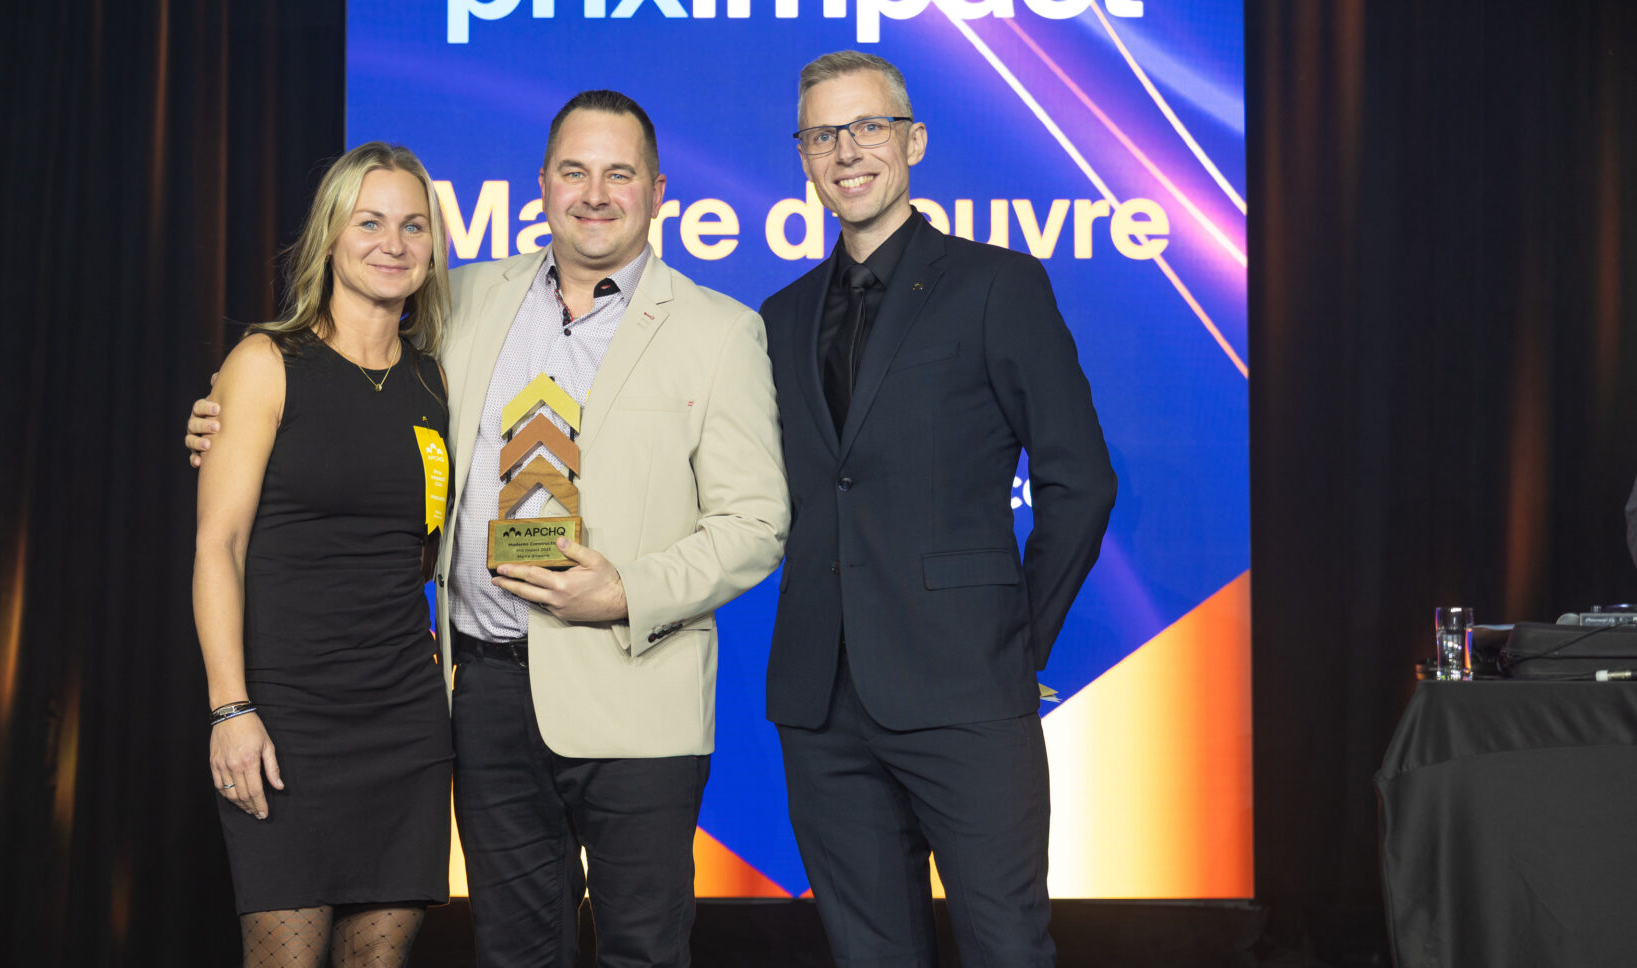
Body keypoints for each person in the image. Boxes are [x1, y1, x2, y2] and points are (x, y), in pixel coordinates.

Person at [189, 91, 789, 968]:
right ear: (540, 184)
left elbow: (757, 523)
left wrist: (625, 590)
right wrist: (223, 414)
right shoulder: (463, 300)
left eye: (619, 173)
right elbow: (340, 385)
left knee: (644, 951)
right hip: (483, 700)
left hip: (636, 699)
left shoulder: (720, 331)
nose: (594, 193)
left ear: (658, 190)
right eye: (574, 171)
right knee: (512, 952)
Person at [759, 50, 1117, 967]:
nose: (847, 151)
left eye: (868, 127)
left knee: (1005, 948)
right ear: (803, 156)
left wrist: (1015, 642)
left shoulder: (998, 284)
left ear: (912, 140)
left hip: (967, 689)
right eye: (823, 134)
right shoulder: (780, 316)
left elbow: (1081, 479)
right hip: (821, 702)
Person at [192, 142, 455, 967]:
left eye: (413, 225)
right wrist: (231, 710)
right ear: (331, 238)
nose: (393, 242)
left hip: (406, 721)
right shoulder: (268, 363)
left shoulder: (435, 384)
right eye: (369, 221)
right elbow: (217, 548)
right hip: (286, 717)